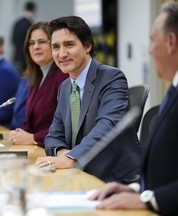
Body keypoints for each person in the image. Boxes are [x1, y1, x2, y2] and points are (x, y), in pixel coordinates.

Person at [90, 3, 178, 216]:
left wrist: (150, 200)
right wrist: (136, 189)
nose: (149, 50)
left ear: (171, 42)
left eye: (152, 41)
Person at [34, 16, 141, 182]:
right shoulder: (65, 87)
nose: (62, 54)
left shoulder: (112, 77)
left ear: (87, 46)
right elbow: (53, 135)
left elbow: (107, 126)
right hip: (80, 174)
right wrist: (63, 153)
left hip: (114, 178)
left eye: (69, 45)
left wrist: (71, 158)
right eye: (56, 47)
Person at [9, 21, 68, 147]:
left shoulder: (64, 76)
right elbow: (31, 123)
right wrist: (20, 134)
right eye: (31, 43)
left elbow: (67, 127)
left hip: (55, 151)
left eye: (41, 42)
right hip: (38, 149)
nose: (36, 47)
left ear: (54, 45)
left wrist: (33, 138)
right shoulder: (36, 77)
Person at [11, 1, 37, 74]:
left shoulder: (16, 23)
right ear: (33, 10)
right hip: (26, 59)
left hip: (16, 57)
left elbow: (13, 40)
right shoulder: (30, 25)